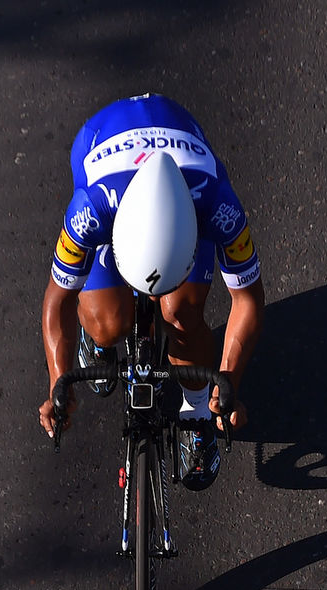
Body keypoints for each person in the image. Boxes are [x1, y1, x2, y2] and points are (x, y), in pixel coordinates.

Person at [37, 93, 265, 490]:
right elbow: (58, 299)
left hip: (181, 156)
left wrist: (226, 384)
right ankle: (99, 342)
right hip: (103, 144)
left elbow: (248, 298)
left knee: (182, 312)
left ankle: (194, 415)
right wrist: (58, 382)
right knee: (108, 324)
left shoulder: (218, 206)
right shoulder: (90, 210)